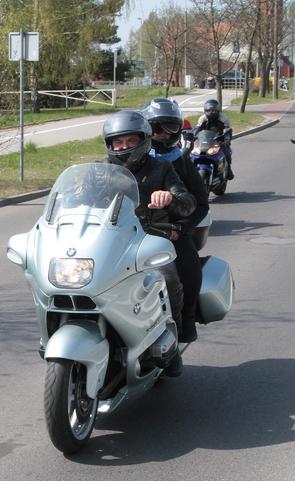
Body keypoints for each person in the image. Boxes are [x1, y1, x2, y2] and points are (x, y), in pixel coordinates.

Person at [102, 110, 196, 376]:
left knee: (168, 280)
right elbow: (80, 200)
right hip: (111, 243)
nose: (123, 147)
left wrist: (170, 198)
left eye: (130, 141)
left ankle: (172, 343)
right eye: (118, 142)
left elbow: (188, 203)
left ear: (142, 141)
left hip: (149, 242)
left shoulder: (161, 169)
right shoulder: (102, 171)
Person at [141, 98, 209, 344]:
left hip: (169, 231)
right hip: (129, 231)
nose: (163, 134)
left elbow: (200, 204)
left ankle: (184, 321)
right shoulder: (130, 159)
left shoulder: (180, 162)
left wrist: (182, 228)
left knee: (186, 267)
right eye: (156, 128)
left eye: (170, 128)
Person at [193, 99, 234, 180]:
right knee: (192, 153)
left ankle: (228, 168)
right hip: (205, 140)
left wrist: (227, 139)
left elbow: (227, 130)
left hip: (219, 140)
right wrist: (193, 136)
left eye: (213, 111)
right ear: (205, 111)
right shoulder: (202, 118)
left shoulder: (223, 119)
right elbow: (197, 129)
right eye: (208, 111)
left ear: (218, 110)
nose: (211, 113)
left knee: (226, 152)